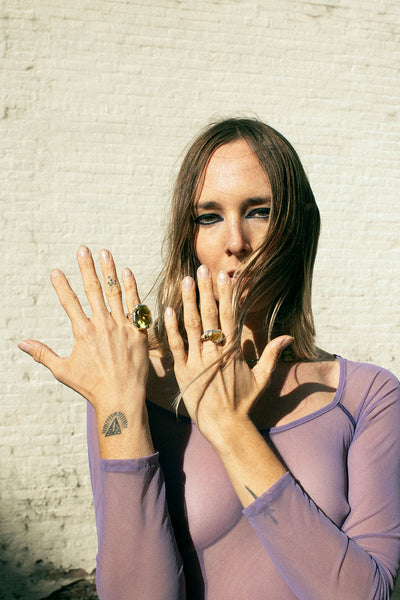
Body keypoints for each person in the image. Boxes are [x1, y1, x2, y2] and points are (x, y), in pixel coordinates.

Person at [19, 118, 400, 600]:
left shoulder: (366, 395)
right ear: (188, 237)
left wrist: (230, 427)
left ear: (298, 227)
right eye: (209, 217)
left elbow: (369, 594)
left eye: (260, 211)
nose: (236, 241)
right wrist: (121, 407)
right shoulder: (135, 383)